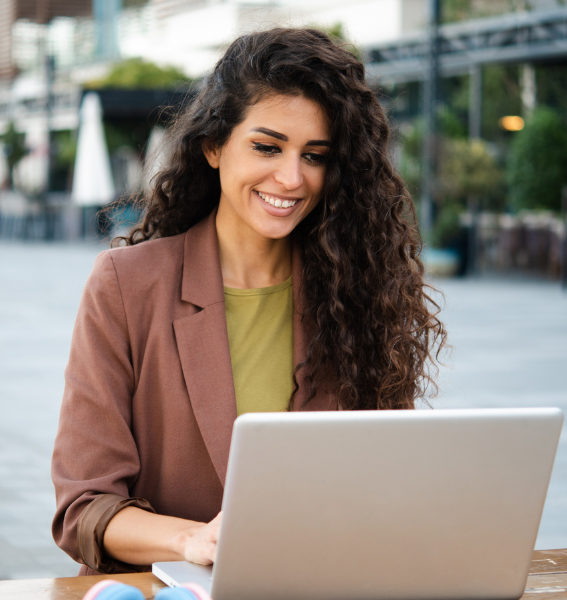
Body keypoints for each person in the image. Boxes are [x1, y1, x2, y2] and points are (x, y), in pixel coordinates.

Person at [51, 27, 447, 576]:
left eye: (315, 155)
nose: (291, 178)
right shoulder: (126, 285)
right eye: (267, 146)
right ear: (214, 146)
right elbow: (85, 508)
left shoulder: (357, 295)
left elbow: (383, 481)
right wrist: (193, 542)